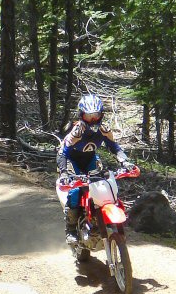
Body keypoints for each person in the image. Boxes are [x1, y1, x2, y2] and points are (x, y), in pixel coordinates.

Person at [56, 94, 134, 244]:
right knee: (75, 191)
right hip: (72, 161)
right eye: (88, 116)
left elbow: (114, 147)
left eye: (95, 115)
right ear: (82, 116)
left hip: (91, 159)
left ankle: (100, 218)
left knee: (103, 185)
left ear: (101, 115)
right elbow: (63, 153)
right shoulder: (77, 131)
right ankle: (71, 229)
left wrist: (125, 162)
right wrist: (65, 172)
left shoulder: (104, 129)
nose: (92, 119)